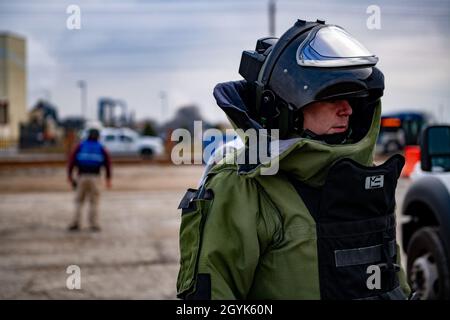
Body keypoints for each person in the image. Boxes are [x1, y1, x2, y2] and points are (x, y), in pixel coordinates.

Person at [176, 19, 412, 299]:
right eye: (332, 97)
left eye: (352, 97)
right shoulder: (245, 183)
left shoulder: (361, 179)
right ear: (283, 107)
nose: (347, 109)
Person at [67, 126, 111, 232]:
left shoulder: (80, 146)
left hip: (81, 176)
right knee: (94, 202)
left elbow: (71, 161)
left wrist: (69, 175)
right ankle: (94, 224)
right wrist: (108, 178)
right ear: (98, 137)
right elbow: (108, 164)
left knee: (79, 201)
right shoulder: (101, 147)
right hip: (95, 177)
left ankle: (75, 223)